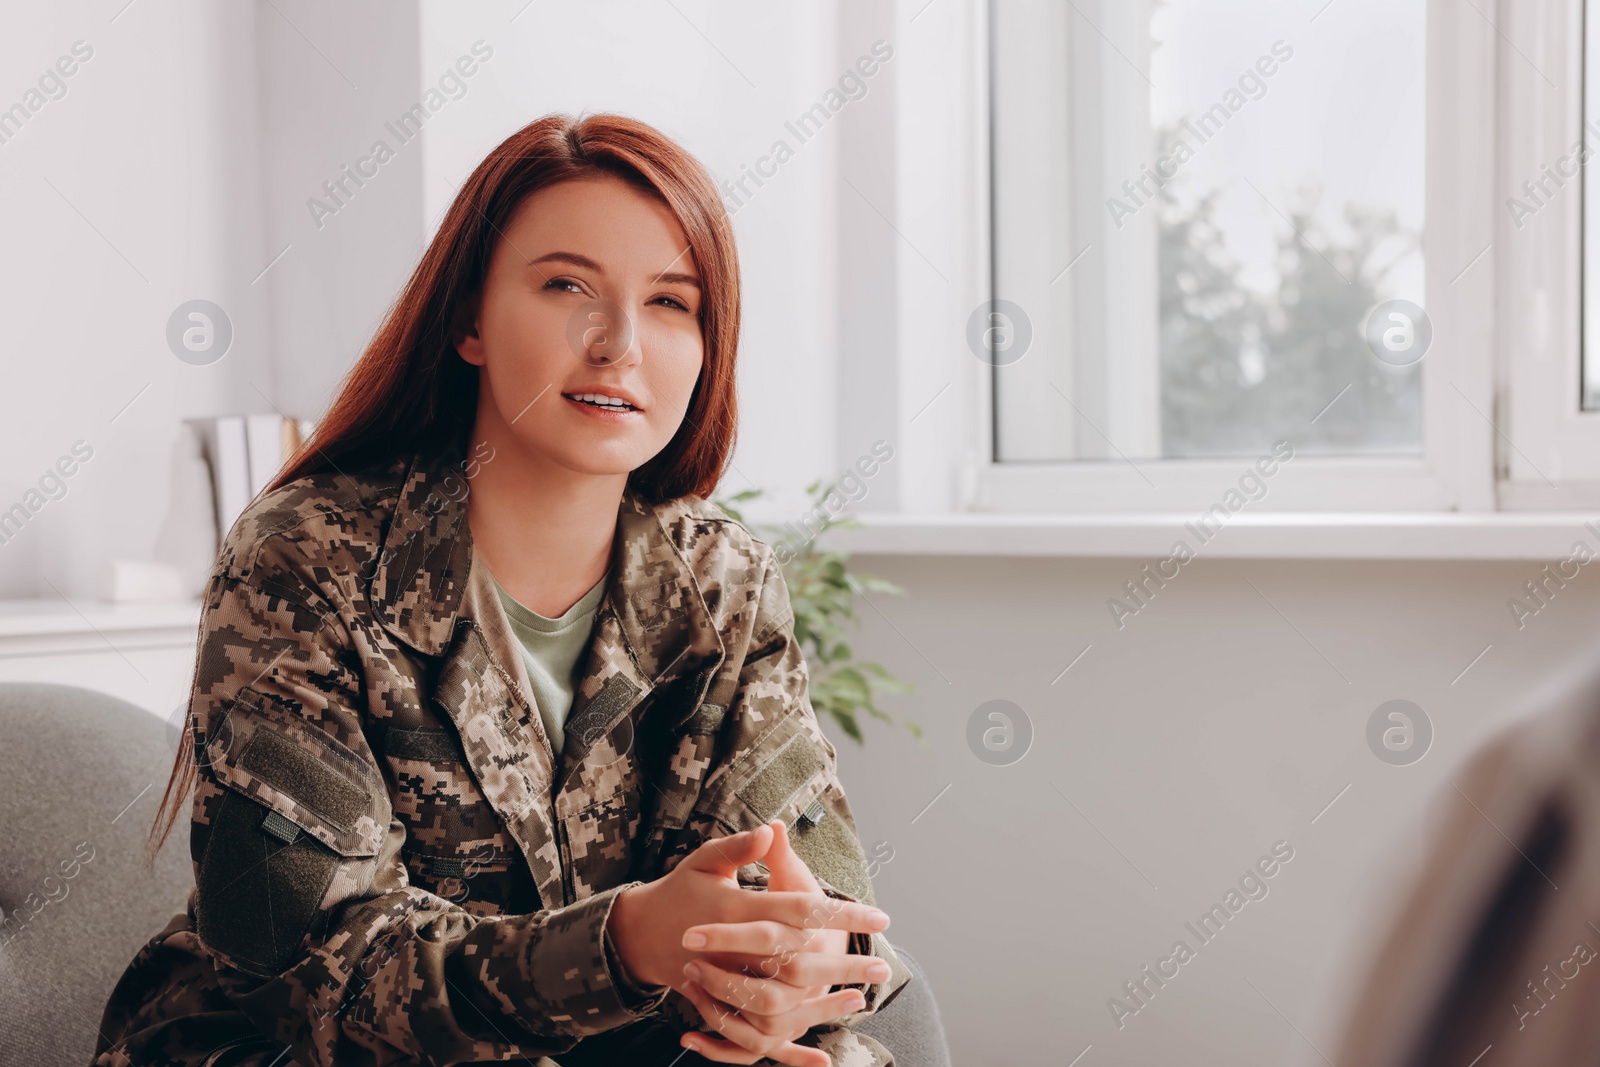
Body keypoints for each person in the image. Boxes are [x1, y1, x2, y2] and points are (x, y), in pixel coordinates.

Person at [90, 112, 916, 1067]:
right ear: (470, 320)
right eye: (568, 285)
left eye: (670, 302)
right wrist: (624, 943)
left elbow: (824, 907)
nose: (619, 344)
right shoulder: (305, 555)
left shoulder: (724, 580)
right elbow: (315, 960)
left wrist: (794, 975)